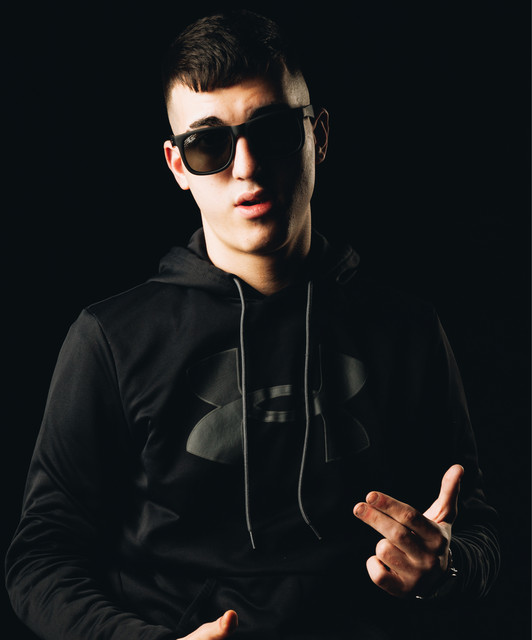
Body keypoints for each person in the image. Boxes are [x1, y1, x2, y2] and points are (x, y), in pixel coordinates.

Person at [5, 10, 500, 640]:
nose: (245, 166)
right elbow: (40, 559)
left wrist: (446, 568)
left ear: (319, 135)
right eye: (208, 144)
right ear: (177, 165)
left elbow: (474, 530)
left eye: (271, 130)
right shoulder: (110, 339)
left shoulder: (408, 331)